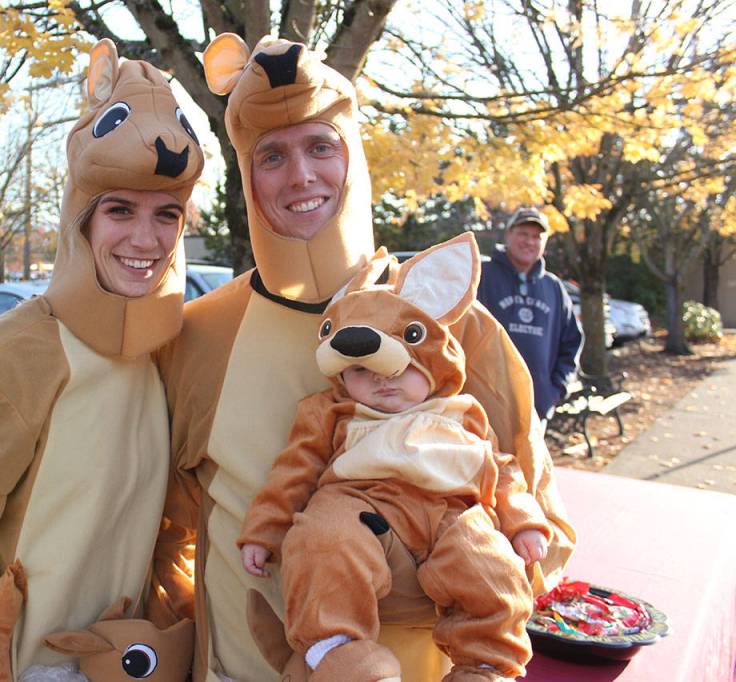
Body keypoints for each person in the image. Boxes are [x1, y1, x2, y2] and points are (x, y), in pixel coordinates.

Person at [151, 33, 576, 682]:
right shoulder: (200, 334)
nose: (301, 175)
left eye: (321, 145)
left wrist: (406, 565)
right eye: (272, 155)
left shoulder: (451, 320)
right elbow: (173, 530)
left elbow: (540, 523)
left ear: (354, 155)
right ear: (245, 174)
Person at [0, 39, 204, 682]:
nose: (146, 239)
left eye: (165, 215)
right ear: (81, 220)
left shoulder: (169, 352)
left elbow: (170, 532)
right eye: (120, 210)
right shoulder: (12, 352)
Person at [238, 234, 550, 681]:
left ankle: (485, 663)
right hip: (360, 501)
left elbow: (503, 470)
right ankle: (340, 654)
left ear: (431, 363)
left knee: (491, 566)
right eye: (363, 371)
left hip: (452, 512)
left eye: (400, 367)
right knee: (320, 542)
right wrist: (264, 531)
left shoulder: (462, 412)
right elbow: (294, 470)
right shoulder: (333, 411)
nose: (384, 382)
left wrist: (523, 521)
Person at [477, 207, 583, 421]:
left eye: (536, 236)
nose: (529, 241)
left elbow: (572, 342)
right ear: (508, 234)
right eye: (523, 234)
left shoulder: (553, 287)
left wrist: (557, 389)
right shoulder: (481, 275)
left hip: (536, 410)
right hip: (485, 408)